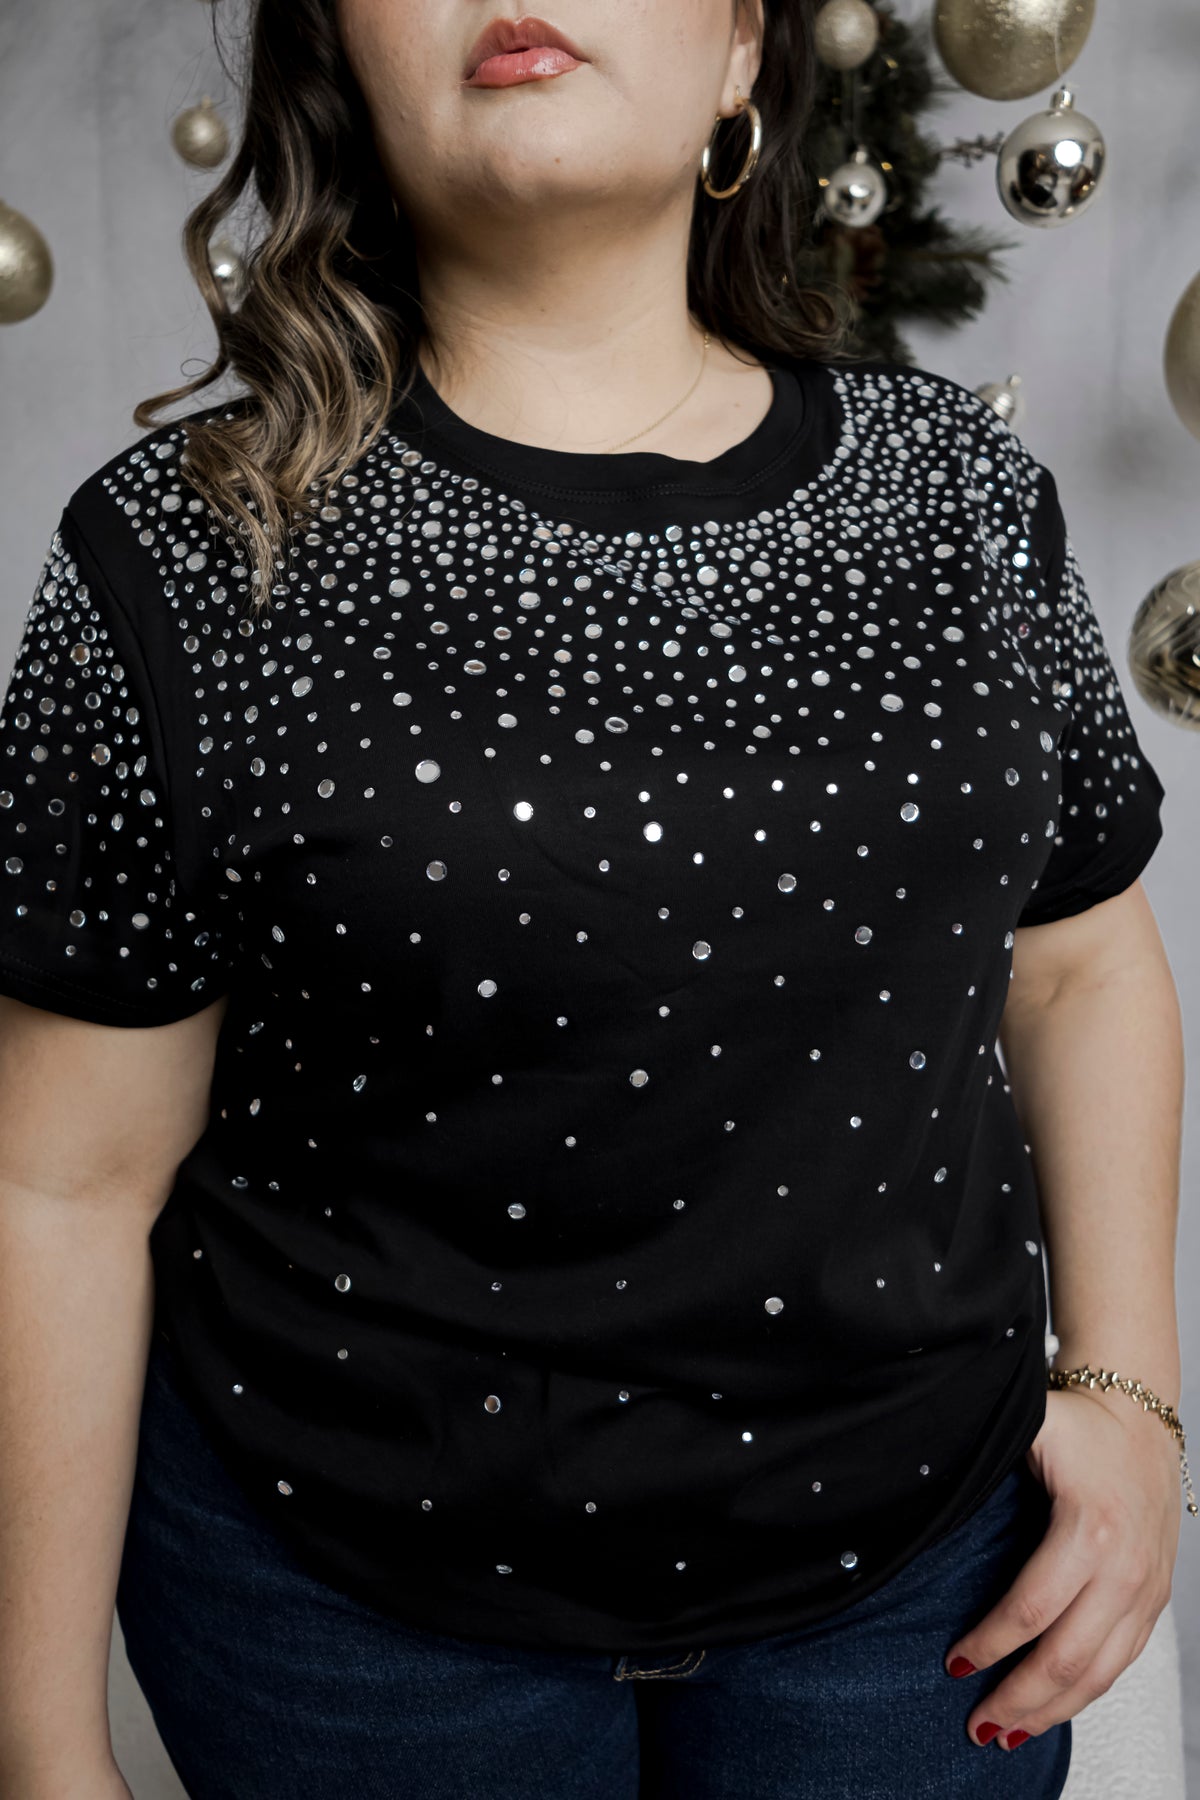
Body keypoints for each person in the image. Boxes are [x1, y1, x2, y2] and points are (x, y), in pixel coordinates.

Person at [0, 1, 1188, 1796]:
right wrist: (39, 1750)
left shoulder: (954, 491)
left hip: (919, 1587)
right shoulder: (184, 547)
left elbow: (1082, 965)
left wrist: (1131, 1395)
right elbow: (64, 1181)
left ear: (742, 56)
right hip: (352, 1625)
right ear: (346, 64)